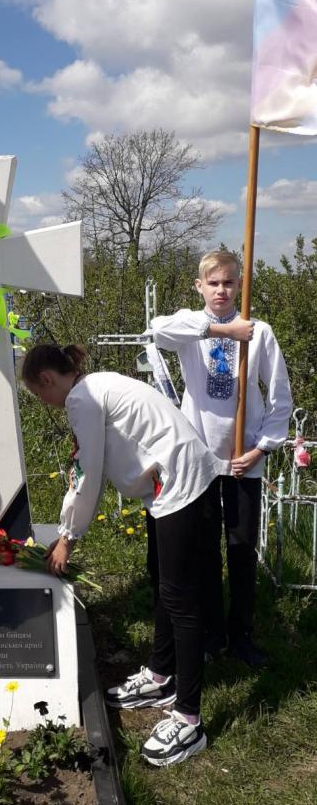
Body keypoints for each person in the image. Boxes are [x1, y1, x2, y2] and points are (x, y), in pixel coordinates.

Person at [21, 342, 221, 768]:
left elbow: (87, 475)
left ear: (47, 380)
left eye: (39, 395)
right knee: (161, 579)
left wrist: (67, 537)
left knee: (180, 597)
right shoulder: (95, 385)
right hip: (173, 481)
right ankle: (161, 675)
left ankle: (189, 718)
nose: (44, 402)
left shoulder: (82, 398)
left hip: (181, 484)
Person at [152, 250, 292, 668]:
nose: (221, 290)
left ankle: (242, 634)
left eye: (229, 282)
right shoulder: (191, 327)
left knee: (242, 546)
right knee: (205, 549)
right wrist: (222, 330)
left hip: (244, 458)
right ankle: (212, 632)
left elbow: (280, 397)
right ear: (200, 286)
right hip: (201, 461)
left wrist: (260, 448)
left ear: (240, 285)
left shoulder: (259, 332)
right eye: (213, 283)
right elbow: (156, 330)